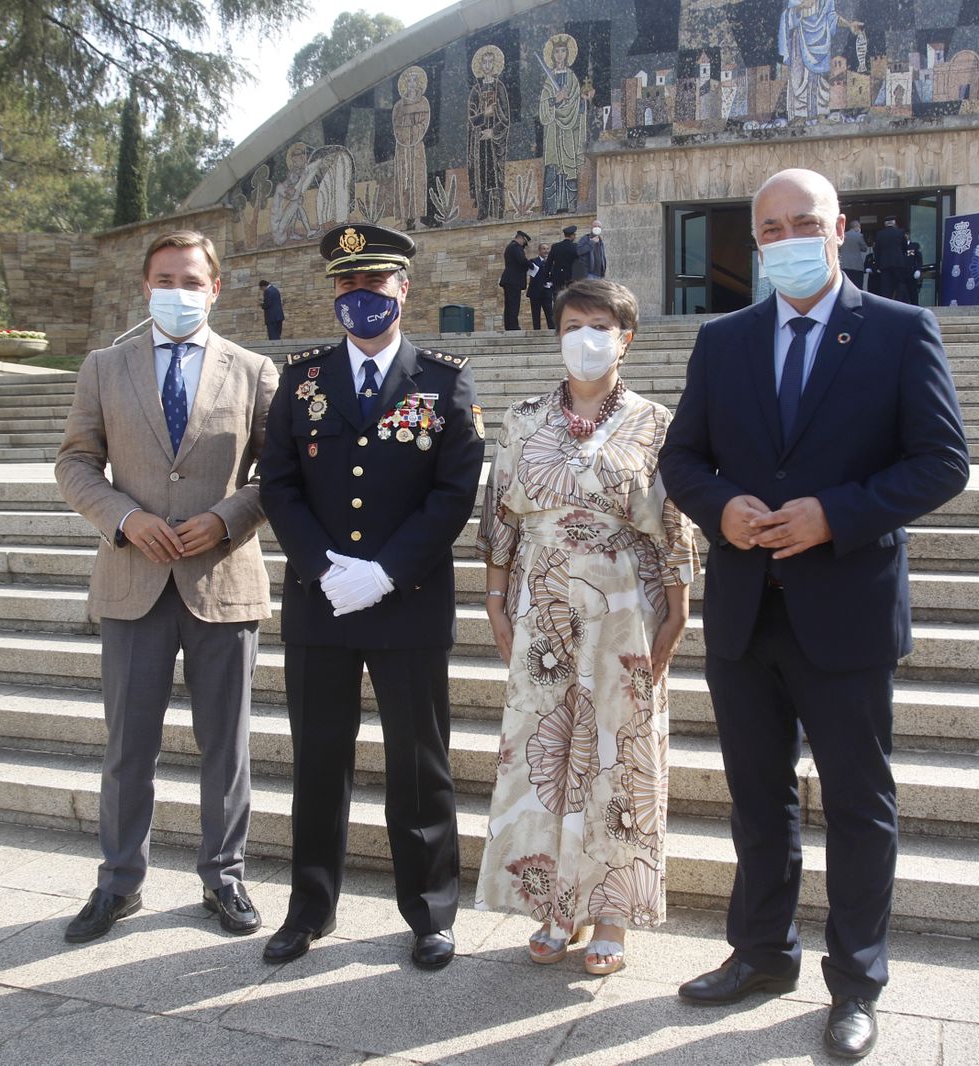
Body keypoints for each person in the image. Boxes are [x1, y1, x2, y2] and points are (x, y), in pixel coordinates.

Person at [658, 169, 969, 1061]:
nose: (788, 238)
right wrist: (720, 508)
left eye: (805, 222)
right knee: (758, 801)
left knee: (860, 807)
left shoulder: (900, 331)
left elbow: (942, 462)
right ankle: (760, 953)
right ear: (755, 242)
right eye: (770, 228)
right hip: (748, 613)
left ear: (839, 230)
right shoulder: (723, 341)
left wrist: (837, 512)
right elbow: (684, 459)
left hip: (847, 613)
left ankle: (856, 981)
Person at [257, 223, 486, 972]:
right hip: (320, 601)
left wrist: (385, 572)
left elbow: (453, 495)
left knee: (419, 764)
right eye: (348, 286)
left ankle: (430, 912)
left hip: (408, 602)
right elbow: (279, 484)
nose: (361, 299)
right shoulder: (303, 380)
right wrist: (324, 568)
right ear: (334, 293)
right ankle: (308, 908)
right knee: (320, 761)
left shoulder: (445, 381)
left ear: (403, 289)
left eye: (375, 285)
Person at [55, 230, 281, 944]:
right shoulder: (104, 366)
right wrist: (123, 518)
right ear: (144, 286)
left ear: (215, 290)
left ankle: (225, 876)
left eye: (191, 280)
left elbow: (277, 475)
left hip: (223, 581)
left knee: (226, 746)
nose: (176, 292)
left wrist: (225, 518)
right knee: (128, 746)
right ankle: (118, 883)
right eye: (164, 279)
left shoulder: (253, 371)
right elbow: (74, 463)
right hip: (133, 582)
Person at [475, 279, 696, 978]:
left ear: (626, 337)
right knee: (547, 757)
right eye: (574, 323)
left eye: (601, 325)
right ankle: (554, 906)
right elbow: (499, 520)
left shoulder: (657, 424)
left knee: (618, 756)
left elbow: (675, 523)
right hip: (541, 607)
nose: (586, 336)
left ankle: (612, 916)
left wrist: (681, 606)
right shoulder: (521, 418)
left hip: (626, 609)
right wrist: (493, 598)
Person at [500, 230, 531, 331]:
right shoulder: (515, 247)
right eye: (524, 242)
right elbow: (522, 260)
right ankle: (513, 326)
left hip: (509, 280)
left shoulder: (511, 247)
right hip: (513, 280)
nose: (523, 245)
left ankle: (509, 325)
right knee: (513, 304)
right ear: (520, 238)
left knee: (509, 304)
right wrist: (531, 265)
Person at [871, 217, 908, 302]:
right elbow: (905, 247)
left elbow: (877, 251)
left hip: (884, 264)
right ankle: (900, 302)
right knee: (900, 284)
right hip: (898, 263)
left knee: (886, 287)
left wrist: (877, 265)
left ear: (885, 224)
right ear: (894, 222)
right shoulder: (900, 232)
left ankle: (887, 304)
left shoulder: (880, 234)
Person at [528, 241, 555, 329]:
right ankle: (536, 331)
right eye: (544, 249)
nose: (546, 251)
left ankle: (552, 329)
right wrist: (544, 262)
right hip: (535, 292)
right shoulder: (533, 261)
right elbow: (534, 273)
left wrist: (550, 283)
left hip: (547, 291)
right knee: (535, 314)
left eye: (547, 249)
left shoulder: (552, 262)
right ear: (539, 251)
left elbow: (554, 275)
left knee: (550, 313)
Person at [548, 225, 581, 291]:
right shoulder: (576, 247)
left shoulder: (555, 246)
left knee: (557, 298)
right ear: (572, 235)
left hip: (557, 277)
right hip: (571, 278)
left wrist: (547, 278)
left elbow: (549, 263)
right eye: (574, 235)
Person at [838, 223, 867, 290]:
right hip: (856, 265)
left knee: (845, 287)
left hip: (844, 264)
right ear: (857, 227)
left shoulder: (842, 236)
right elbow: (864, 248)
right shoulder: (859, 236)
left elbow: (839, 248)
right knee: (858, 286)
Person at [902, 231, 924, 306]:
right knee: (903, 297)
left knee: (913, 295)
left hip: (912, 274)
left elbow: (919, 259)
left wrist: (918, 270)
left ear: (908, 235)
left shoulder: (914, 246)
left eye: (905, 235)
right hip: (902, 275)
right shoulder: (899, 247)